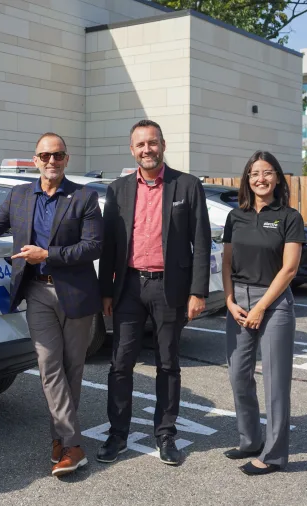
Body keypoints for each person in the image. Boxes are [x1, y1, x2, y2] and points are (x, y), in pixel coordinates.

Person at [0, 132, 103, 477]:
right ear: (35, 160)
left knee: (72, 370)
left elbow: (93, 246)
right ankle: (73, 444)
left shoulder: (84, 197)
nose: (51, 162)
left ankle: (59, 439)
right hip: (38, 291)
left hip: (76, 294)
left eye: (57, 155)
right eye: (45, 156)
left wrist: (49, 255)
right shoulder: (20, 196)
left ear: (66, 159)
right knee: (49, 367)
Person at [97, 119, 211, 466]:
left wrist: (198, 291)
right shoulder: (118, 189)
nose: (147, 150)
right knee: (120, 363)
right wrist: (106, 290)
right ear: (132, 150)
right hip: (129, 285)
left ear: (163, 145)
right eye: (140, 145)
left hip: (170, 287)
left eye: (153, 143)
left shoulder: (187, 186)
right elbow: (110, 244)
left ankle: (165, 434)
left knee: (167, 363)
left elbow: (202, 242)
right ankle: (117, 435)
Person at [221, 151, 303, 475]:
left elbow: (290, 269)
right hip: (238, 301)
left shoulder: (289, 217)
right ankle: (250, 439)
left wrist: (261, 307)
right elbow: (226, 263)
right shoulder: (235, 217)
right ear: (247, 179)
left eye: (267, 173)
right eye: (255, 173)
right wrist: (229, 300)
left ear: (278, 178)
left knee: (275, 382)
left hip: (275, 303)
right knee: (238, 375)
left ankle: (273, 455)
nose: (261, 179)